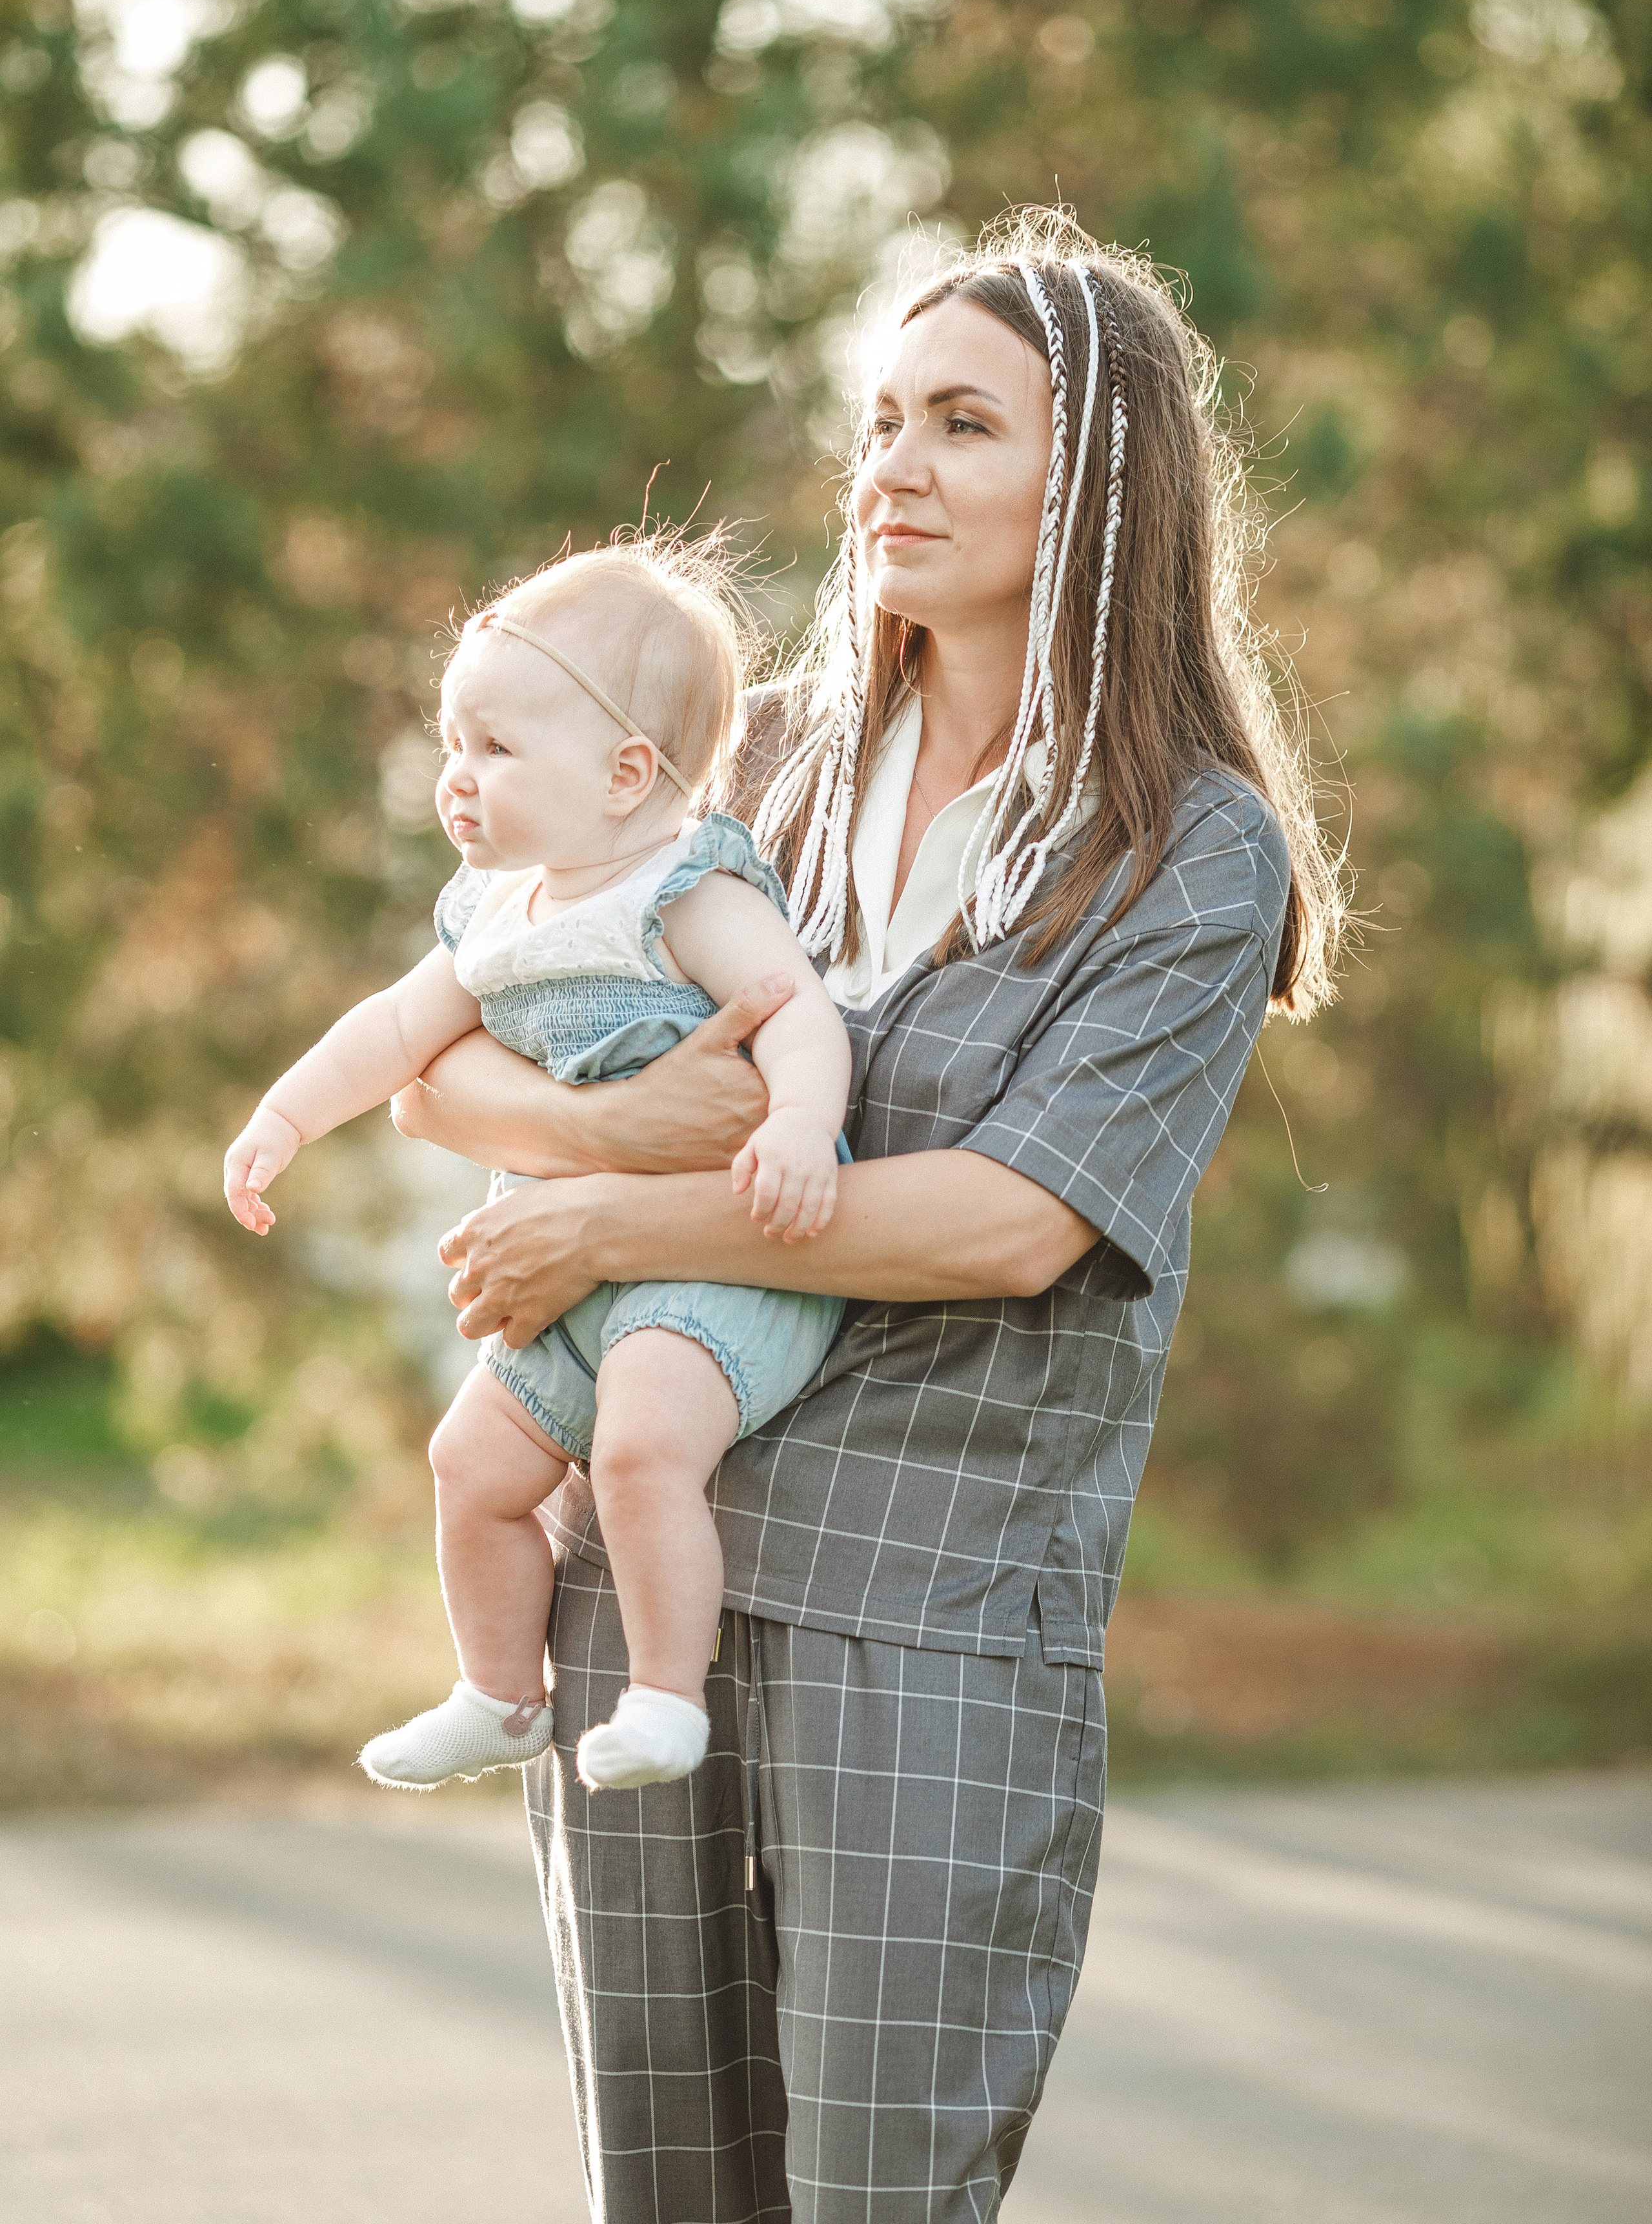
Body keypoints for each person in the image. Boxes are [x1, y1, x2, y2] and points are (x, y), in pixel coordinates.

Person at [394, 210, 1345, 2221]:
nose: (891, 468)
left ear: (1099, 482)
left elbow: (1011, 1224)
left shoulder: (1191, 852)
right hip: (631, 1602)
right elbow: (445, 1051)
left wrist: (616, 1221)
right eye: (880, 420)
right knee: (665, 2191)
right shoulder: (768, 776)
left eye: (964, 425)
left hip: (937, 1625)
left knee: (881, 2201)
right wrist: (611, 1131)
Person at [223, 541, 852, 1794]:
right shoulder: (495, 911)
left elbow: (798, 1018)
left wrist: (792, 1125)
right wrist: (283, 1119)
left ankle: (669, 1700)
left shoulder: (685, 892)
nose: (456, 781)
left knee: (637, 1451)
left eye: (496, 752)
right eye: (452, 745)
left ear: (627, 774)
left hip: (714, 1260)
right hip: (569, 1274)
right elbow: (392, 1039)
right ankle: (502, 1695)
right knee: (471, 1466)